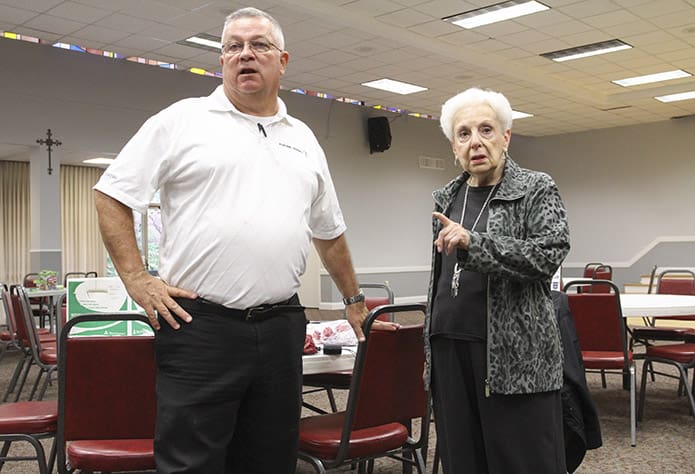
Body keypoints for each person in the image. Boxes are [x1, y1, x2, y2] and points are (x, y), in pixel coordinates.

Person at [93, 7, 396, 473]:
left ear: (283, 60)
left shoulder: (304, 139)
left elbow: (329, 231)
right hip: (199, 328)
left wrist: (355, 299)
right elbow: (112, 194)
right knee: (193, 462)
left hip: (281, 327)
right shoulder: (182, 121)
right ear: (221, 61)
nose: (244, 55)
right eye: (233, 46)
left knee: (271, 458)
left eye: (258, 45)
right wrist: (136, 277)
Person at [425, 87, 571, 473]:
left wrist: (476, 243)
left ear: (505, 137)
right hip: (449, 348)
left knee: (521, 463)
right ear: (454, 147)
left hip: (515, 358)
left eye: (486, 130)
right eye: (464, 133)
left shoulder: (535, 188)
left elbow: (548, 254)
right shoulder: (446, 197)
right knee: (463, 462)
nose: (476, 142)